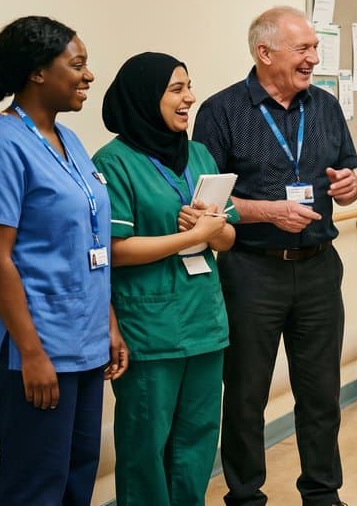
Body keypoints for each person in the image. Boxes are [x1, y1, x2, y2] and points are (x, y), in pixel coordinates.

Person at [193, 6, 357, 506]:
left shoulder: (325, 107)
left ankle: (322, 492)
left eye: (314, 47)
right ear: (265, 53)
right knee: (246, 394)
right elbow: (205, 201)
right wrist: (267, 212)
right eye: (303, 48)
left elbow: (346, 178)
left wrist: (349, 185)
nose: (314, 57)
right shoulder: (221, 112)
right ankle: (245, 495)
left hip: (317, 268)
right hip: (251, 271)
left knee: (321, 392)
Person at [0, 16, 127, 506]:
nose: (89, 76)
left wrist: (108, 324)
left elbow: (88, 247)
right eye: (76, 65)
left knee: (78, 475)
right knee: (35, 485)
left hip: (82, 340)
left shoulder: (69, 141)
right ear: (38, 73)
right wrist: (32, 354)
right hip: (30, 348)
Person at [93, 52, 238, 505]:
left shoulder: (199, 154)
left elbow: (227, 237)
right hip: (148, 329)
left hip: (203, 321)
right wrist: (191, 236)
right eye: (176, 89)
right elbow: (114, 250)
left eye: (188, 87)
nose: (189, 98)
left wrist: (213, 231)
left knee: (196, 441)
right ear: (144, 97)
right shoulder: (113, 161)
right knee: (144, 447)